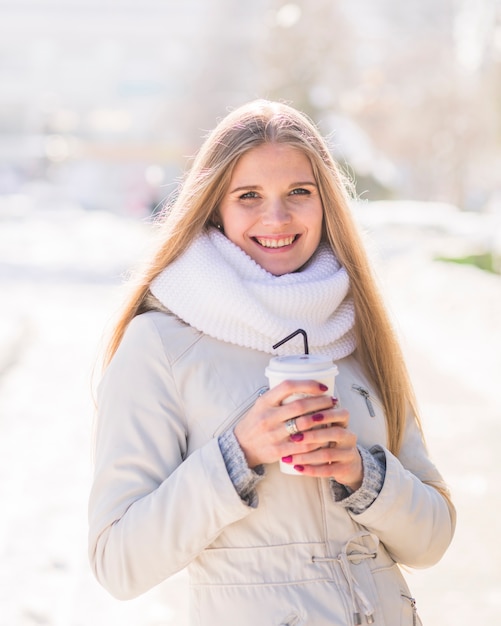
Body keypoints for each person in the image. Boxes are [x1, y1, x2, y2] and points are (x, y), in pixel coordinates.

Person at [88, 100, 455, 626]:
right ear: (215, 207)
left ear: (326, 203)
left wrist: (363, 475)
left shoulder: (355, 326)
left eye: (299, 193)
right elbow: (116, 562)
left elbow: (434, 538)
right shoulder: (163, 343)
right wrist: (236, 455)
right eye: (249, 196)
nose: (277, 218)